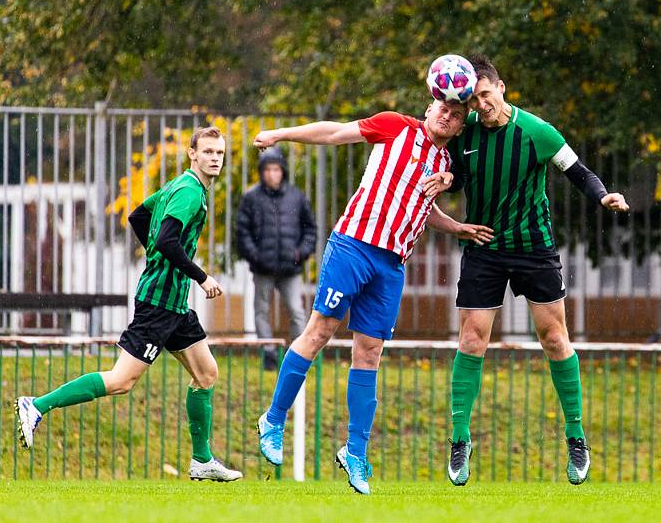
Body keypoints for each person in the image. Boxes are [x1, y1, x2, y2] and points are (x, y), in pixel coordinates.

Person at [252, 99, 493, 495]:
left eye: (456, 115)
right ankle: (274, 420)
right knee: (320, 330)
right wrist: (281, 134)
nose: (447, 117)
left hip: (392, 264)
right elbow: (333, 133)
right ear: (431, 106)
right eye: (443, 109)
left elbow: (421, 207)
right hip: (354, 246)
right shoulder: (394, 126)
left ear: (459, 127)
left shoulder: (444, 163)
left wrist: (457, 228)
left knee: (369, 352)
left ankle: (355, 451)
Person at [427, 54, 630, 487]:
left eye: (485, 95)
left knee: (555, 338)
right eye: (473, 99)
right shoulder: (468, 134)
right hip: (483, 246)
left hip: (534, 249)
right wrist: (447, 181)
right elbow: (459, 177)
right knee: (470, 339)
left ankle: (575, 436)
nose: (480, 105)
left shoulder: (536, 131)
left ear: (502, 88)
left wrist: (602, 196)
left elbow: (578, 171)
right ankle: (459, 440)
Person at [15, 127, 243, 482]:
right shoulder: (189, 192)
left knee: (206, 373)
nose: (215, 158)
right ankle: (37, 405)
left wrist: (158, 256)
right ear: (192, 154)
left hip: (176, 304)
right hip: (158, 305)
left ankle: (202, 461)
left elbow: (138, 215)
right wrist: (201, 276)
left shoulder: (177, 185)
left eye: (220, 153)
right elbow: (167, 239)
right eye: (209, 152)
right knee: (121, 381)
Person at [237, 147, 317, 371]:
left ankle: (299, 357)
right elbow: (242, 232)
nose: (273, 174)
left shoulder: (296, 196)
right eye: (268, 169)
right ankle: (269, 355)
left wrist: (300, 252)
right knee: (261, 311)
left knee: (297, 311)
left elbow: (310, 229)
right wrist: (256, 256)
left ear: (282, 171)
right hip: (262, 268)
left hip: (290, 268)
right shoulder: (251, 197)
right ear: (262, 172)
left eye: (276, 169)